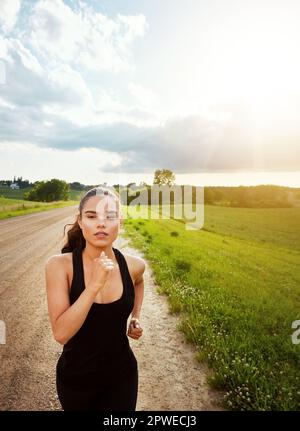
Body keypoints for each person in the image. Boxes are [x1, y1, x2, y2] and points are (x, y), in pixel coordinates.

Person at [45, 186, 145, 411]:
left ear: (120, 222)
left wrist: (136, 316)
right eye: (92, 216)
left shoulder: (133, 265)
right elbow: (61, 334)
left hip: (122, 378)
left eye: (110, 217)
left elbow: (139, 281)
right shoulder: (60, 266)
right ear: (80, 222)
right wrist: (94, 286)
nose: (101, 223)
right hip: (76, 381)